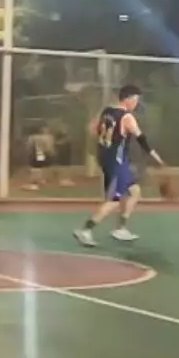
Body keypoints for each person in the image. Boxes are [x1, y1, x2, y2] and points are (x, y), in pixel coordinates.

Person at [73, 84, 165, 247]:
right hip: (116, 162)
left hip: (106, 157)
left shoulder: (107, 111)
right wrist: (156, 157)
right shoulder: (127, 117)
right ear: (128, 99)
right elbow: (142, 140)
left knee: (134, 191)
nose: (136, 103)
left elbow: (92, 129)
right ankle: (85, 230)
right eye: (135, 100)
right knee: (114, 200)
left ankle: (121, 228)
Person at [24, 124, 56, 190]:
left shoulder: (35, 137)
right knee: (38, 166)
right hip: (39, 152)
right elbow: (48, 147)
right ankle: (37, 180)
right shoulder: (39, 137)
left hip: (39, 153)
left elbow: (29, 146)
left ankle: (38, 180)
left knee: (38, 166)